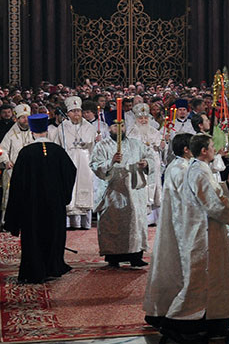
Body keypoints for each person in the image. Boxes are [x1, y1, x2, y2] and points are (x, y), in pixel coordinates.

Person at [172, 133, 229, 339]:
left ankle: (216, 323)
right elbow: (213, 203)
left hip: (207, 230)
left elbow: (212, 191)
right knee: (207, 279)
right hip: (206, 232)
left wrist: (227, 185)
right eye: (211, 146)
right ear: (204, 150)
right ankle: (184, 324)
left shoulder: (199, 168)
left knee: (213, 278)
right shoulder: (199, 171)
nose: (214, 150)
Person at [3, 114, 77, 283]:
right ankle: (53, 267)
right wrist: (63, 196)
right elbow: (70, 173)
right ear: (46, 131)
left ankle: (34, 270)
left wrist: (17, 209)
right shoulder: (58, 151)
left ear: (32, 132)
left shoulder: (26, 153)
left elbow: (17, 183)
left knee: (34, 236)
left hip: (32, 206)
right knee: (53, 234)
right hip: (54, 204)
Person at [144, 133, 193, 327]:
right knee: (173, 267)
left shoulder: (180, 166)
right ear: (186, 149)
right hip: (178, 224)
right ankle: (168, 311)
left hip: (176, 221)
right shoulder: (181, 169)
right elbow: (188, 197)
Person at [90, 119, 154, 267]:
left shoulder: (136, 144)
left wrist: (146, 163)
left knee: (134, 223)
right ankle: (113, 257)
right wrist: (111, 162)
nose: (119, 129)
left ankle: (135, 256)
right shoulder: (102, 146)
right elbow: (95, 165)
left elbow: (150, 156)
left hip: (134, 191)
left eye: (122, 125)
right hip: (113, 192)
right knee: (113, 223)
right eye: (115, 126)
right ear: (109, 128)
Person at [51, 96, 97, 230]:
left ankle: (84, 223)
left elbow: (93, 147)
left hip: (84, 161)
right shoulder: (62, 128)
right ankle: (68, 223)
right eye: (73, 111)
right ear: (68, 113)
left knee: (83, 189)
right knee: (69, 189)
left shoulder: (89, 127)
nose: (76, 113)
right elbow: (57, 145)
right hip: (68, 160)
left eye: (78, 111)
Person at [127, 102, 165, 225]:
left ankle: (154, 218)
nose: (143, 120)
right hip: (138, 162)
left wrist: (163, 145)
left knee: (154, 187)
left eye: (145, 118)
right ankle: (142, 217)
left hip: (153, 162)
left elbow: (161, 148)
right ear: (136, 119)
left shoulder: (154, 131)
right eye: (140, 118)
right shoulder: (131, 132)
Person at [0, 104, 34, 227]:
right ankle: (8, 222)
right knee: (10, 196)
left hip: (30, 171)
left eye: (27, 117)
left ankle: (28, 222)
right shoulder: (10, 133)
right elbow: (2, 149)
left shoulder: (34, 132)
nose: (25, 120)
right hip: (13, 170)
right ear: (17, 118)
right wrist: (6, 161)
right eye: (22, 117)